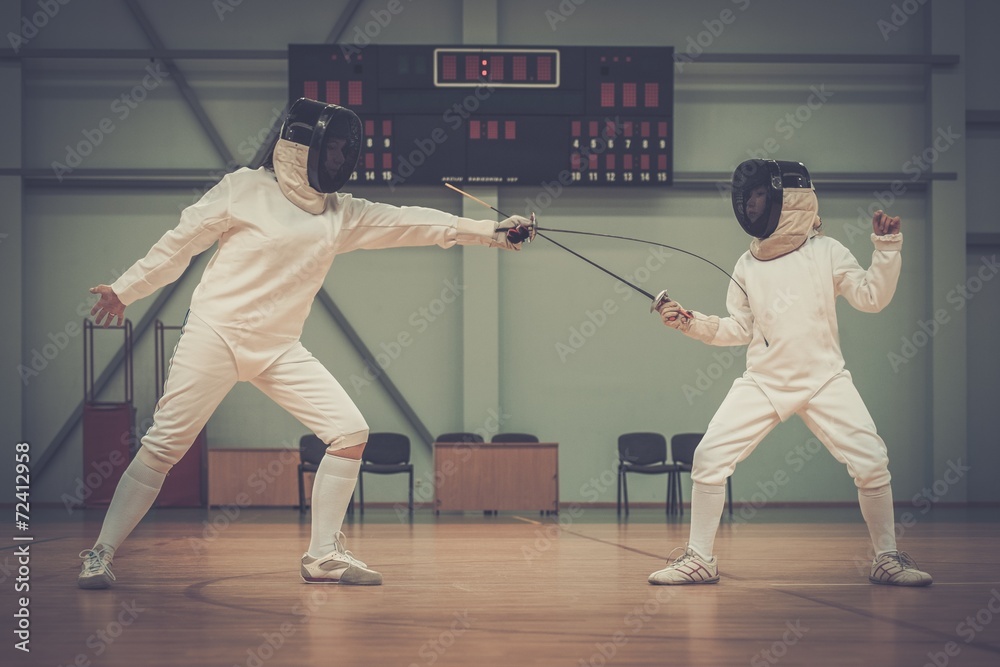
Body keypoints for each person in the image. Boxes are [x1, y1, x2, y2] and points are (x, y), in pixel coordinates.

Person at [78, 98, 534, 589]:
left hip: (278, 348)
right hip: (215, 335)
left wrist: (491, 231)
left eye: (343, 151)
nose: (338, 160)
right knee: (164, 446)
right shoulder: (243, 189)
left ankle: (322, 555)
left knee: (349, 433)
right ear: (298, 149)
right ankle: (99, 553)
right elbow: (180, 242)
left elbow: (413, 222)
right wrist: (126, 289)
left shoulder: (341, 213)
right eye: (331, 149)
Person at [647, 159, 931, 587]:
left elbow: (872, 297)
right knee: (708, 457)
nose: (753, 204)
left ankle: (887, 558)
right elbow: (738, 330)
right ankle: (700, 559)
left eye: (760, 195)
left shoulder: (827, 251)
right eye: (750, 198)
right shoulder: (747, 264)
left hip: (824, 378)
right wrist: (690, 322)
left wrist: (886, 250)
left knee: (872, 461)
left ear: (790, 200)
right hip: (764, 381)